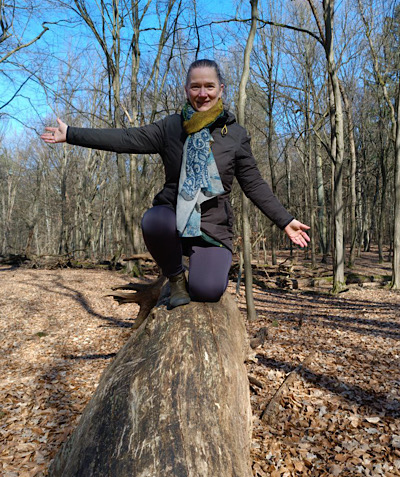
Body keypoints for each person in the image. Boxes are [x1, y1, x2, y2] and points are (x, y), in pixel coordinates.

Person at [41, 59, 310, 308]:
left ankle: (197, 273)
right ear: (186, 89)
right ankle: (175, 278)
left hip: (213, 223)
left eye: (209, 86)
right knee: (153, 220)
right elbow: (125, 138)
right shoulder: (170, 127)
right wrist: (72, 134)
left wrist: (285, 220)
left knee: (207, 290)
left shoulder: (235, 135)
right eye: (195, 87)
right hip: (173, 215)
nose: (202, 93)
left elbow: (254, 184)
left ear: (221, 89)